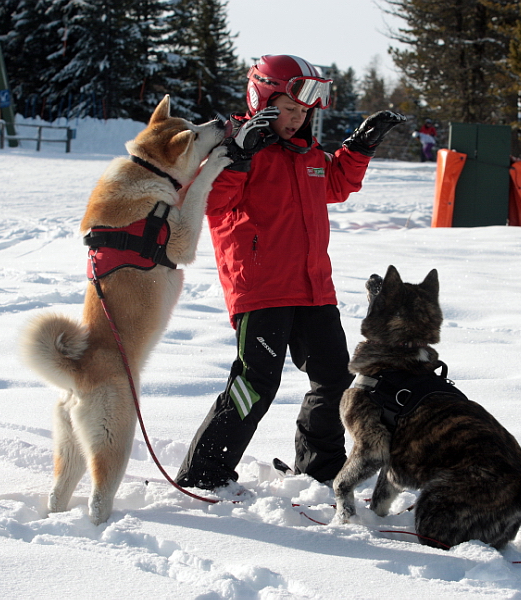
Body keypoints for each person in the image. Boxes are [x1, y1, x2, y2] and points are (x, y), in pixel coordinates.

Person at [175, 54, 406, 492]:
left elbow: (335, 184)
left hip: (314, 289)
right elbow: (207, 204)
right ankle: (204, 475)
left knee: (335, 378)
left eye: (304, 112)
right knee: (255, 383)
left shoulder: (309, 154)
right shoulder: (235, 151)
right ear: (262, 98)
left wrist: (359, 146)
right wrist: (240, 156)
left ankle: (319, 470)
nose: (298, 119)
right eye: (290, 109)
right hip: (261, 290)